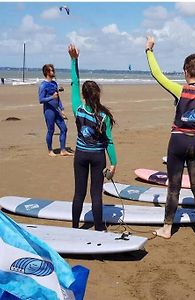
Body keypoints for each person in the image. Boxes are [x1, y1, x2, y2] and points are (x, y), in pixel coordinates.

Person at [145, 36, 195, 241]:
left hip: (177, 142)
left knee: (174, 187)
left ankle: (167, 229)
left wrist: (149, 50)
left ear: (186, 72)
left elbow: (157, 75)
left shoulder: (180, 90)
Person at [68, 44, 117, 231]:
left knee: (79, 193)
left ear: (83, 95)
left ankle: (74, 227)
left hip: (80, 154)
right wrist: (114, 163)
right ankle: (98, 228)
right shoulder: (104, 116)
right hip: (98, 157)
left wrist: (74, 60)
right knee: (96, 194)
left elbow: (74, 82)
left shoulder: (77, 108)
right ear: (97, 94)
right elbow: (109, 141)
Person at [38, 64, 73, 157]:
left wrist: (62, 109)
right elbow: (41, 100)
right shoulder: (43, 85)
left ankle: (63, 150)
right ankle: (50, 150)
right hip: (49, 111)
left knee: (64, 129)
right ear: (47, 72)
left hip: (57, 110)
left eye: (53, 70)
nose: (53, 72)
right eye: (51, 70)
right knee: (51, 130)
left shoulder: (54, 83)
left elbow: (58, 98)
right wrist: (51, 97)